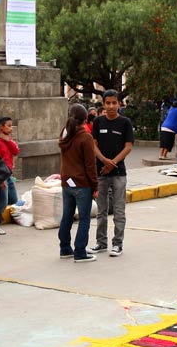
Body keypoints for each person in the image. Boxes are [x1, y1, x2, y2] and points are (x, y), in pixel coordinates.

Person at [91, 90, 135, 257]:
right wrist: (104, 161)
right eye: (107, 103)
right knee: (101, 210)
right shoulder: (98, 121)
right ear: (103, 104)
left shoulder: (125, 123)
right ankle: (101, 243)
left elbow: (128, 146)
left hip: (119, 173)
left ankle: (117, 244)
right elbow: (93, 145)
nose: (110, 106)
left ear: (119, 104)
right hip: (101, 172)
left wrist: (113, 163)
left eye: (113, 103)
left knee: (118, 210)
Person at [57, 104, 99, 262]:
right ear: (86, 119)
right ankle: (80, 251)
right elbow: (90, 165)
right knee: (84, 219)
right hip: (82, 183)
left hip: (66, 182)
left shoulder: (65, 132)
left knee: (66, 216)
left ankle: (65, 248)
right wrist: (95, 186)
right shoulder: (85, 137)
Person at [0, 116, 20, 219]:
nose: (11, 128)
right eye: (8, 126)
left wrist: (7, 140)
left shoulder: (7, 140)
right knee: (3, 201)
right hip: (1, 175)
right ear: (1, 127)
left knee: (13, 200)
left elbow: (16, 151)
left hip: (8, 173)